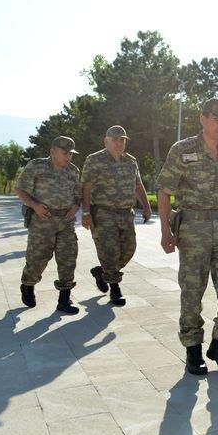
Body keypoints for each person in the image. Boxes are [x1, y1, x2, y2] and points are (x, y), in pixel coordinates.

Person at [156, 98, 218, 376]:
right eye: (217, 120)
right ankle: (193, 349)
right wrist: (165, 231)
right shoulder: (182, 150)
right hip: (192, 228)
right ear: (203, 119)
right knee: (193, 292)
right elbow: (164, 190)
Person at [81, 125, 152, 306]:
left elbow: (137, 185)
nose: (119, 143)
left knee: (129, 249)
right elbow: (86, 187)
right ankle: (115, 288)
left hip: (126, 213)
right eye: (115, 139)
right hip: (103, 213)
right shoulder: (94, 160)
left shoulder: (131, 161)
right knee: (109, 251)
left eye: (122, 140)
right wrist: (86, 212)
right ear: (106, 141)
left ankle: (102, 272)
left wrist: (146, 206)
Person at [15, 136, 81, 314]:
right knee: (38, 259)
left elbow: (77, 196)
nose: (68, 157)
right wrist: (35, 206)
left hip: (65, 222)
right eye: (65, 153)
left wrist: (75, 208)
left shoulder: (73, 171)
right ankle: (28, 284)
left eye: (71, 154)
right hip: (42, 220)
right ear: (52, 151)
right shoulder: (37, 166)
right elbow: (20, 189)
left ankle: (64, 300)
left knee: (68, 259)